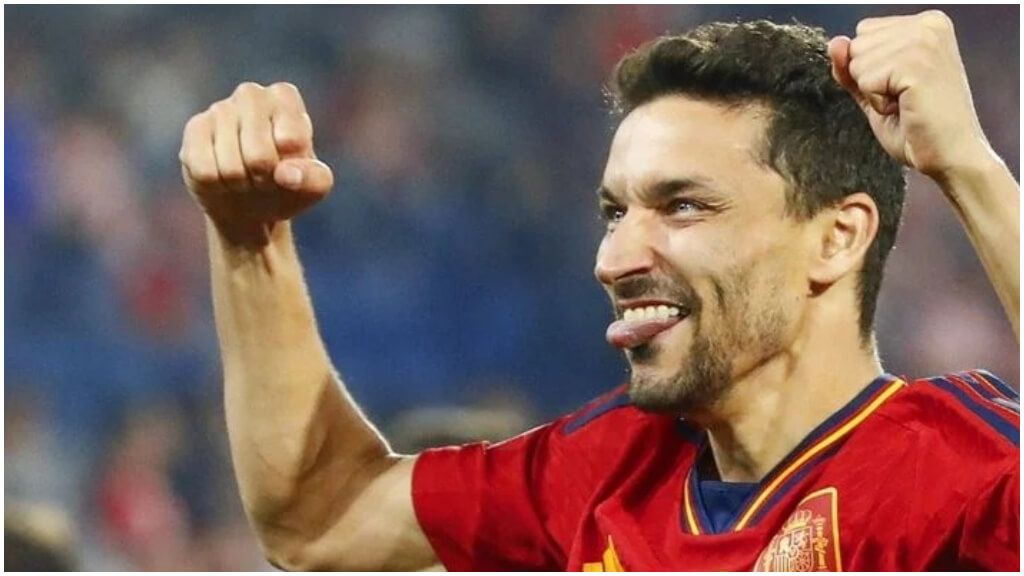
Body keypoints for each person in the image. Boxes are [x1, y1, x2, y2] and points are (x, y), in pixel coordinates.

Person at [179, 10, 1019, 571]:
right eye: (615, 212)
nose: (615, 257)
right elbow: (320, 514)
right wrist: (250, 237)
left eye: (682, 206)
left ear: (837, 237)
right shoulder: (605, 469)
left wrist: (971, 168)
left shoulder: (956, 469)